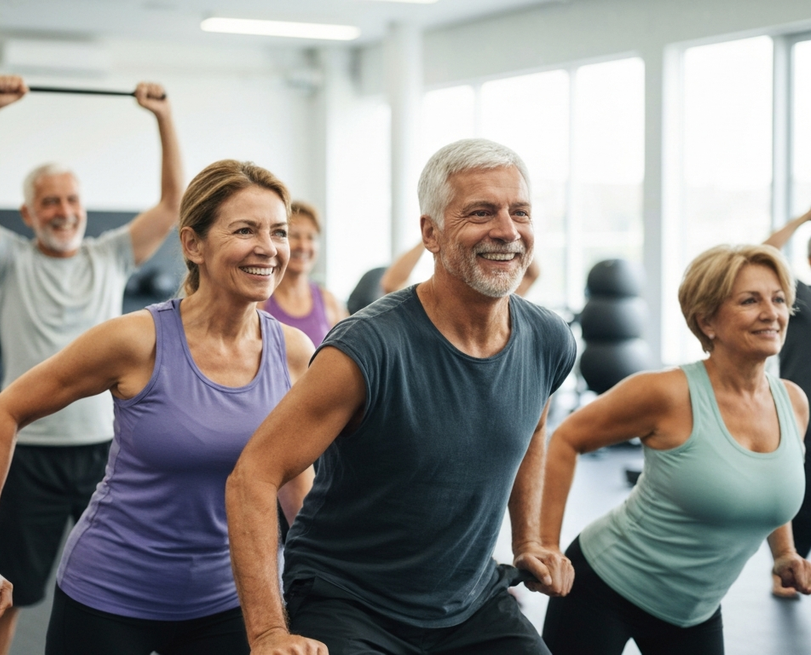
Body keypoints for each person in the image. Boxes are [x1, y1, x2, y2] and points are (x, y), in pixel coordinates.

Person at [226, 138, 576, 655]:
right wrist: (269, 633)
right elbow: (252, 476)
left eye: (518, 212)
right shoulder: (366, 348)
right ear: (430, 233)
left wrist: (528, 540)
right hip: (350, 599)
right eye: (481, 213)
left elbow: (533, 426)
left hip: (468, 600)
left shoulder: (549, 339)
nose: (507, 230)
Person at [0, 159, 316, 655]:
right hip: (111, 596)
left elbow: (295, 480)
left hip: (230, 600)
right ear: (193, 245)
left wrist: (333, 584)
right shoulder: (137, 340)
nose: (268, 248)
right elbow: (7, 408)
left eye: (278, 231)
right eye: (245, 230)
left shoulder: (292, 353)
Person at [0, 73, 183, 654]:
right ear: (28, 212)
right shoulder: (8, 260)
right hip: (27, 452)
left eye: (72, 199)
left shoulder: (110, 255)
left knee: (125, 580)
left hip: (109, 451)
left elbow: (175, 204)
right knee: (9, 590)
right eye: (49, 201)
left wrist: (163, 118)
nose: (63, 210)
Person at [539, 244, 811, 654]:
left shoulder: (793, 403)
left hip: (694, 611)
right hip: (604, 588)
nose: (771, 313)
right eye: (749, 300)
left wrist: (785, 552)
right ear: (707, 320)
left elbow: (769, 481)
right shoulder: (665, 392)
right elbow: (565, 438)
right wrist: (544, 547)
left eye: (778, 300)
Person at [762, 206, 811, 598]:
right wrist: (803, 219)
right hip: (799, 415)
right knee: (799, 491)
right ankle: (788, 564)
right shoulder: (798, 300)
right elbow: (764, 253)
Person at [262, 200, 346, 347]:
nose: (303, 245)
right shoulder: (259, 300)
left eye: (311, 237)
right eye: (294, 236)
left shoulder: (330, 302)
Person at [380, 240, 540, 296]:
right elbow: (390, 284)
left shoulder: (499, 294)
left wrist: (512, 236)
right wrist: (431, 235)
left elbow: (533, 274)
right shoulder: (430, 302)